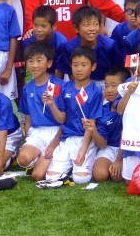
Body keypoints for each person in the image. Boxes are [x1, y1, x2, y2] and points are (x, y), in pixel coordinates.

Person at [45, 46, 105, 184]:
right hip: (67, 138)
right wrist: (52, 104)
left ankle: (76, 168)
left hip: (85, 139)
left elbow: (91, 125)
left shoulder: (95, 91)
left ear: (93, 66)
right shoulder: (65, 87)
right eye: (75, 65)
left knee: (81, 179)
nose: (79, 69)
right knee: (51, 177)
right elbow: (62, 119)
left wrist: (83, 151)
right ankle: (69, 169)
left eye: (84, 65)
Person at [16, 43, 64, 181]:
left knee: (38, 176)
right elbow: (28, 116)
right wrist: (28, 135)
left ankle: (48, 158)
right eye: (30, 61)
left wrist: (54, 143)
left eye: (39, 60)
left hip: (56, 133)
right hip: (37, 132)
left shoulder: (60, 85)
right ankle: (38, 157)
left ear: (49, 63)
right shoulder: (27, 88)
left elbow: (64, 120)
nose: (34, 65)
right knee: (23, 159)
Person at [57, 6, 125, 83]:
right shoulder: (69, 47)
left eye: (95, 24)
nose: (92, 28)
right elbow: (68, 72)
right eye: (86, 25)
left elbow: (120, 70)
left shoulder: (110, 46)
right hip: (79, 82)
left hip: (106, 83)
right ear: (76, 28)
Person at [93, 68, 127, 182]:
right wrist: (92, 130)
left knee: (118, 177)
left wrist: (118, 160)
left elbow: (126, 135)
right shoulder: (102, 109)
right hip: (109, 148)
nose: (109, 90)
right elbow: (102, 144)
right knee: (99, 175)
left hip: (127, 148)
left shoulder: (129, 108)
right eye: (106, 86)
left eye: (114, 86)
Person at [22, 5, 68, 80]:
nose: (38, 30)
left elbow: (60, 70)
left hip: (56, 75)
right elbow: (25, 69)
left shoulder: (61, 42)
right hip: (36, 74)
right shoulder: (28, 41)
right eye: (36, 25)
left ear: (54, 26)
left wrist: (55, 88)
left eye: (43, 26)